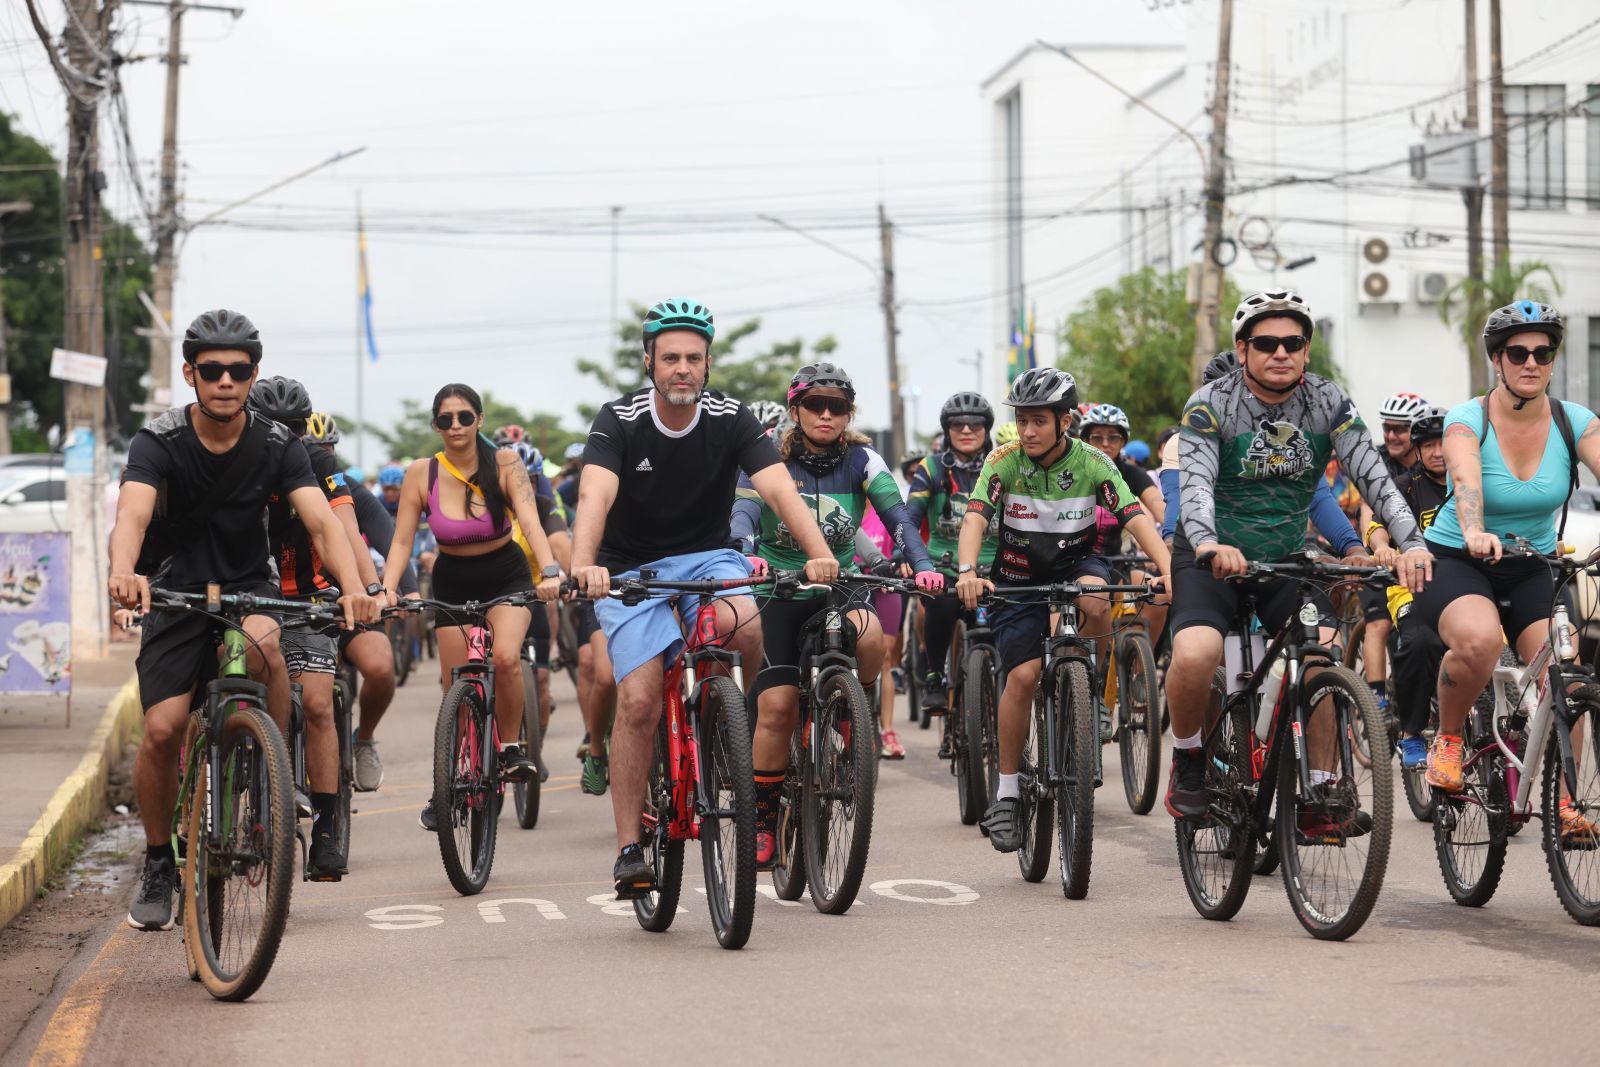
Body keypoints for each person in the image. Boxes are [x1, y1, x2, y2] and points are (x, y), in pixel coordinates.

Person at [108, 309, 379, 930]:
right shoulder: (159, 440)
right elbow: (133, 517)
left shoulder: (279, 445)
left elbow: (321, 522)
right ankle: (156, 861)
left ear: (252, 375)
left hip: (247, 592)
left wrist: (357, 588)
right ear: (191, 373)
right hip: (176, 595)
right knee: (161, 730)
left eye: (238, 370)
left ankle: (269, 775)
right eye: (212, 370)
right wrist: (125, 571)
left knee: (265, 649)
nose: (225, 381)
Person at [568, 297, 839, 899]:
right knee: (637, 702)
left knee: (743, 624)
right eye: (670, 358)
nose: (682, 368)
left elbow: (779, 491)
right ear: (649, 362)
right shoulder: (618, 418)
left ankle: (723, 724)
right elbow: (594, 496)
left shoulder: (732, 417)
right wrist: (583, 564)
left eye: (693, 357)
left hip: (706, 558)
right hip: (627, 568)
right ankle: (629, 848)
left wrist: (820, 552)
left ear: (709, 363)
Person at [1164, 290, 1431, 820]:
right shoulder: (1209, 404)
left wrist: (1411, 543)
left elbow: (1374, 480)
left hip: (1286, 559)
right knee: (1195, 654)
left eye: (1293, 342)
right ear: (1243, 350)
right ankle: (1188, 755)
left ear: (1307, 350)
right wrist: (1210, 542)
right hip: (1209, 558)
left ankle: (1323, 788)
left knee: (1321, 659)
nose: (1281, 352)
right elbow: (1193, 488)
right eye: (1266, 342)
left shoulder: (1329, 402)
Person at [730, 362, 942, 866]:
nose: (826, 415)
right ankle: (761, 815)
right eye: (814, 405)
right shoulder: (764, 459)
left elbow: (900, 517)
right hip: (779, 590)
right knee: (778, 708)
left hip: (842, 588)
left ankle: (851, 713)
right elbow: (741, 515)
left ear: (849, 413)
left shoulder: (864, 460)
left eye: (838, 407)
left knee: (872, 638)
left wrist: (923, 563)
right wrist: (745, 551)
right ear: (794, 409)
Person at [955, 367, 1171, 852]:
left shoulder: (1095, 461)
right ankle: (1008, 793)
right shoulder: (1004, 460)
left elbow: (1134, 516)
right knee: (1024, 677)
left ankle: (1090, 694)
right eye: (1023, 420)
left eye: (1039, 421)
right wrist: (968, 571)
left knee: (1096, 598)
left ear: (1065, 422)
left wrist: (1167, 568)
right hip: (1016, 576)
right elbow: (975, 518)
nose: (1028, 431)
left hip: (1078, 563)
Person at [1410, 301, 1600, 840]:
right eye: (1518, 352)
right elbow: (1466, 479)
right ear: (1497, 359)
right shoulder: (1467, 418)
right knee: (1479, 641)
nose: (1531, 362)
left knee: (1568, 672)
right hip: (1459, 559)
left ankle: (1565, 801)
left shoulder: (1573, 422)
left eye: (1543, 352)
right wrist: (1473, 529)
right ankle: (1448, 737)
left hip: (1532, 565)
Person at [380, 384, 563, 831]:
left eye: (465, 417)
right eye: (446, 419)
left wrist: (553, 572)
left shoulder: (505, 463)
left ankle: (511, 748)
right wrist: (386, 588)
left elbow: (530, 520)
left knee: (504, 658)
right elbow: (402, 539)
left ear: (479, 420)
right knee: (454, 693)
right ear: (436, 425)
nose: (456, 426)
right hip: (452, 579)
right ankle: (446, 783)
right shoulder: (421, 473)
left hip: (506, 575)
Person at [250, 379, 385, 881]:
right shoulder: (234, 457)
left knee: (318, 703)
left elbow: (344, 529)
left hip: (308, 597)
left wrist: (364, 588)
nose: (283, 436)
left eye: (293, 429)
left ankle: (327, 826)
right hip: (246, 596)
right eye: (274, 428)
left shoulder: (318, 464)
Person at [304, 411, 404, 792]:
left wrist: (390, 590)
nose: (317, 455)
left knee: (379, 667)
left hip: (351, 598)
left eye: (325, 449)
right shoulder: (269, 481)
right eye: (309, 447)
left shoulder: (348, 490)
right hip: (294, 604)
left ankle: (365, 738)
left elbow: (389, 540)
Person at [1366, 404, 1449, 770]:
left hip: (1471, 585)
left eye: (1444, 442)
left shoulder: (1473, 485)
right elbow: (1374, 520)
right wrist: (1382, 546)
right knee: (1419, 643)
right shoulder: (1403, 487)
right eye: (1428, 445)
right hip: (1410, 587)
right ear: (1417, 449)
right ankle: (1412, 732)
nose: (1437, 451)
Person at [905, 391, 996, 725]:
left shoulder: (1004, 464)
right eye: (958, 424)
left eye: (975, 423)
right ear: (947, 430)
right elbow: (911, 518)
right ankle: (934, 676)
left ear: (987, 429)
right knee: (941, 601)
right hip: (942, 565)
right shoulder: (931, 468)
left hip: (995, 568)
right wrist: (912, 559)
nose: (967, 429)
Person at [1353, 391, 1430, 712]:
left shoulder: (1432, 459)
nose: (1391, 435)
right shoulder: (1378, 460)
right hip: (1383, 558)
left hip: (1422, 560)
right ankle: (1376, 702)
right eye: (1387, 427)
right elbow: (1369, 510)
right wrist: (1379, 547)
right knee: (1379, 624)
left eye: (1399, 429)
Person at [1080, 403, 1170, 649]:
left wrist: (1179, 533)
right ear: (1085, 440)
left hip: (1116, 565)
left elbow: (1156, 503)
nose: (1105, 444)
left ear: (1123, 441)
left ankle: (1140, 673)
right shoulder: (1072, 472)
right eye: (1097, 438)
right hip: (1074, 567)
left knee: (1161, 594)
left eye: (1113, 437)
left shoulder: (1130, 474)